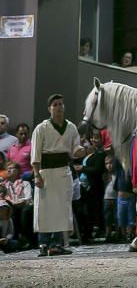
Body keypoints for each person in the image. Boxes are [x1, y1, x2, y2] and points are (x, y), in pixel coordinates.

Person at [31, 94, 84, 256]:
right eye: (55, 104)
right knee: (45, 209)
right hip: (46, 173)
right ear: (49, 108)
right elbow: (35, 154)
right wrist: (36, 175)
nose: (59, 107)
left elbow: (75, 149)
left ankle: (56, 244)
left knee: (62, 208)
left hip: (63, 171)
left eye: (61, 104)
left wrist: (82, 151)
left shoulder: (71, 128)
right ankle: (43, 243)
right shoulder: (42, 128)